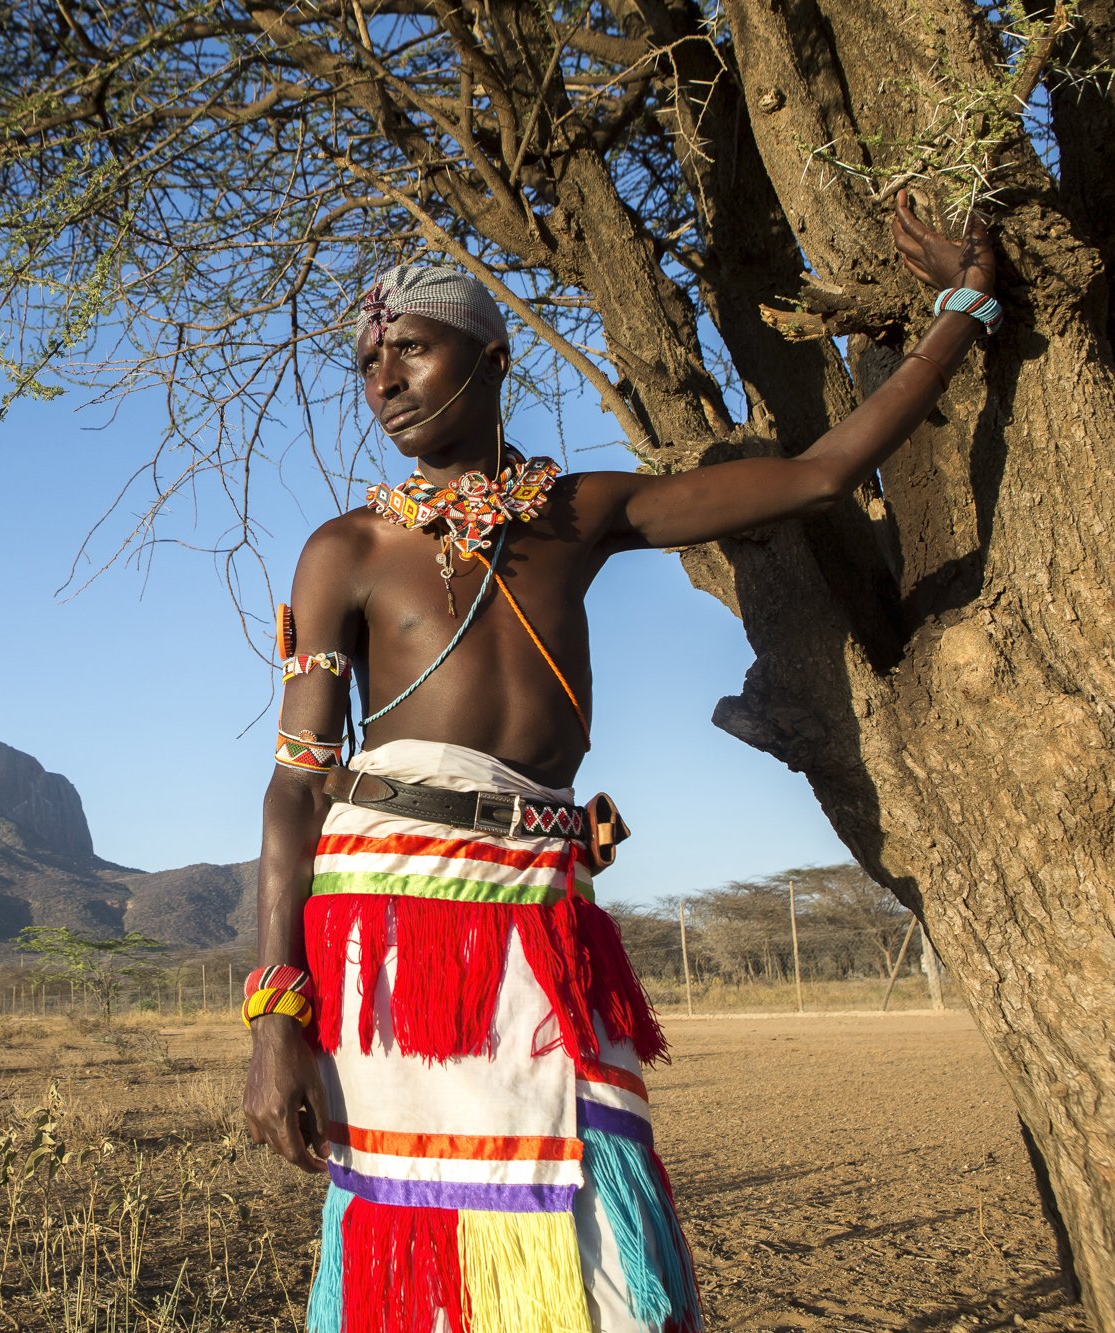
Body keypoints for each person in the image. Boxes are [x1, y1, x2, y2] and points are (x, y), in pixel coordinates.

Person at [241, 190, 997, 1333]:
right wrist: (273, 1020)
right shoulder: (343, 551)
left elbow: (817, 474)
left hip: (542, 910)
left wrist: (959, 309)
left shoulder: (579, 514)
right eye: (366, 363)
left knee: (596, 1191)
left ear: (490, 358)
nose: (382, 380)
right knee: (420, 1213)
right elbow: (299, 778)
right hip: (391, 918)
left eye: (409, 348)